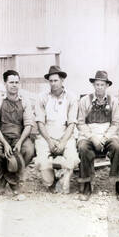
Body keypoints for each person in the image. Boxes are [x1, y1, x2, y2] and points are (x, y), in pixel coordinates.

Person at [0, 70, 36, 200]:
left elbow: (28, 125)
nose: (14, 85)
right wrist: (4, 143)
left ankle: (12, 177)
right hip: (0, 136)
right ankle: (2, 177)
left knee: (29, 149)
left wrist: (20, 142)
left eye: (16, 82)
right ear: (5, 84)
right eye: (11, 82)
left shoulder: (25, 101)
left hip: (19, 136)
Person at [76, 70, 119, 201]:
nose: (99, 87)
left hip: (108, 135)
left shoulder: (113, 101)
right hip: (89, 135)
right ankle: (87, 183)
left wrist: (104, 138)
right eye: (97, 84)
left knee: (118, 147)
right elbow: (80, 123)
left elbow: (116, 123)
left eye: (102, 85)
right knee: (83, 148)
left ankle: (118, 183)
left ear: (107, 86)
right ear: (94, 85)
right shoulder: (85, 101)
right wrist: (92, 137)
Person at [33, 65, 79, 194]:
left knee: (72, 158)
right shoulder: (42, 97)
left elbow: (71, 123)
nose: (53, 83)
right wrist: (49, 141)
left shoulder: (71, 97)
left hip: (65, 135)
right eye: (51, 81)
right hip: (46, 135)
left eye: (56, 80)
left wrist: (63, 142)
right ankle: (51, 181)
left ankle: (63, 180)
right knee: (42, 160)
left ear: (62, 80)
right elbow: (40, 122)